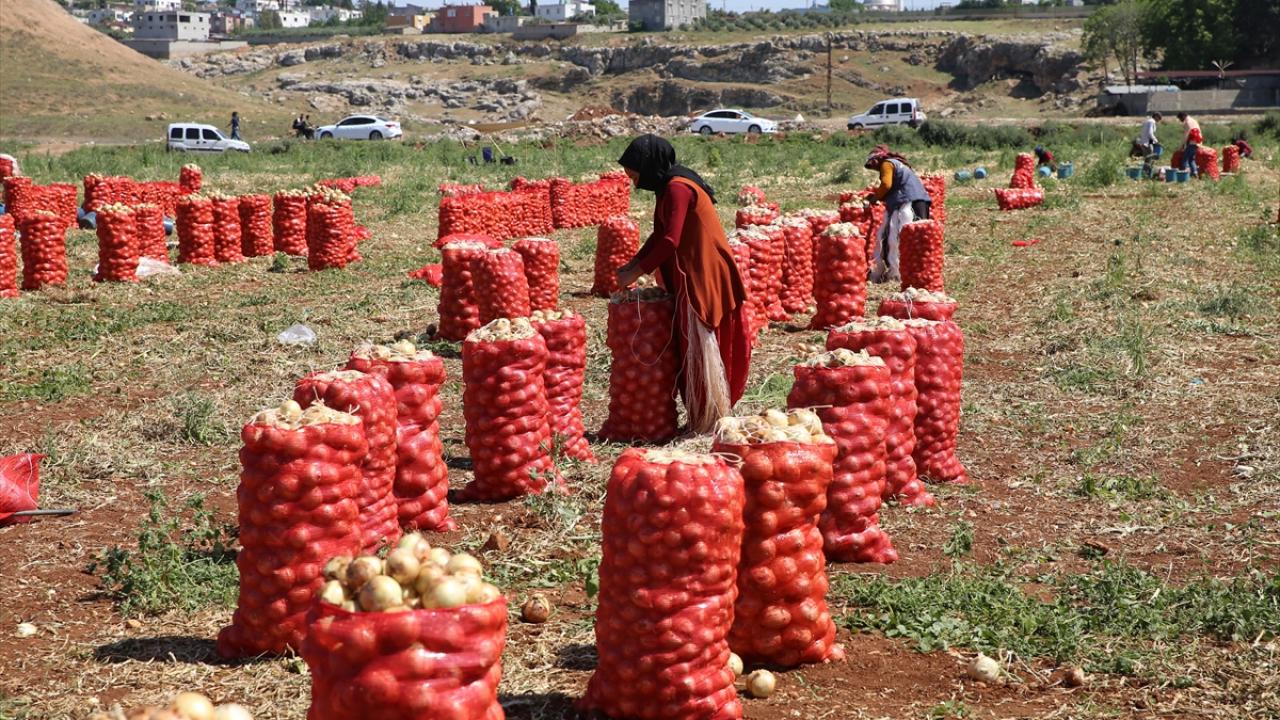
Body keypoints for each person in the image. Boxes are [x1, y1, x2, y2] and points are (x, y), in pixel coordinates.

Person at [614, 134, 752, 434]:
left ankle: (710, 416)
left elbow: (670, 240)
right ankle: (704, 414)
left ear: (648, 164)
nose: (632, 179)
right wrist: (634, 263)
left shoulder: (677, 188)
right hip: (690, 269)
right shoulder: (665, 188)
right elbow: (658, 235)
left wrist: (637, 272)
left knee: (700, 343)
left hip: (703, 271)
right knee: (690, 344)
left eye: (634, 172)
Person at [864, 144, 930, 283]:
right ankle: (915, 271)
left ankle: (897, 273)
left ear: (877, 160)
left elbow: (886, 185)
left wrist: (875, 197)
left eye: (874, 165)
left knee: (898, 237)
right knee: (916, 238)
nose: (875, 169)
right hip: (919, 200)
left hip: (908, 202)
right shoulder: (899, 164)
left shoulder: (887, 164)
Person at [1177, 112, 1202, 178]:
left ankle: (1184, 175)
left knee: (1185, 159)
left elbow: (1185, 136)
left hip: (1192, 143)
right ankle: (1195, 173)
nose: (1180, 120)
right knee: (1191, 159)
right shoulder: (1194, 121)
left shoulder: (1187, 123)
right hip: (1197, 143)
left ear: (1183, 116)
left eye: (1180, 118)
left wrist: (1181, 146)